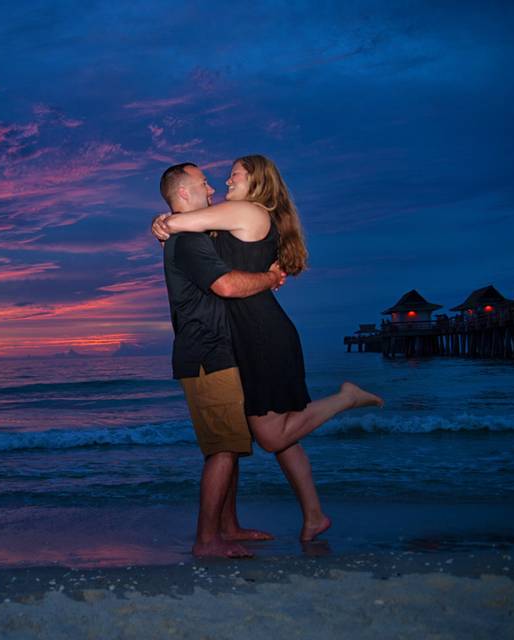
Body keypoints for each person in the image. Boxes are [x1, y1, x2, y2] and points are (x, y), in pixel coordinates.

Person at [153, 155, 383, 542]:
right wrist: (167, 223)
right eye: (218, 178)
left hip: (261, 334)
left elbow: (181, 222)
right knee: (281, 432)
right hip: (245, 336)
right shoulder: (231, 218)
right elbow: (189, 226)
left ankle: (345, 398)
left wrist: (164, 223)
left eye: (234, 175)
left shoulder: (248, 211)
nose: (224, 182)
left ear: (257, 181)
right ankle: (313, 515)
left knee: (272, 435)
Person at [159, 162, 287, 558]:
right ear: (184, 193)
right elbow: (227, 285)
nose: (212, 189)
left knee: (232, 441)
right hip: (206, 354)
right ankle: (206, 540)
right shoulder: (189, 241)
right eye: (203, 183)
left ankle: (228, 527)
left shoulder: (191, 234)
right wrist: (270, 278)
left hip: (216, 352)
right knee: (222, 449)